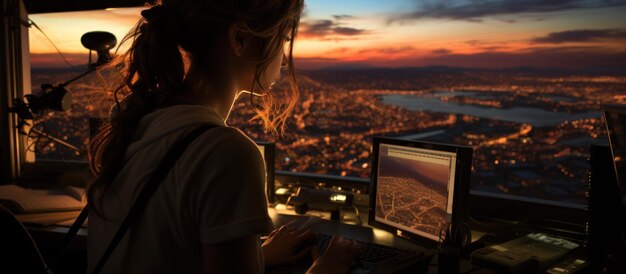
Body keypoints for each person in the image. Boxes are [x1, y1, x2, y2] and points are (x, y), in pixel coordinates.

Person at [87, 0, 360, 273]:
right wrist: (328, 267)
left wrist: (253, 256)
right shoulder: (226, 152)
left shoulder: (139, 124)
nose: (285, 59)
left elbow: (163, 250)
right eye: (283, 39)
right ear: (240, 39)